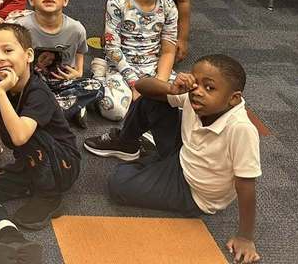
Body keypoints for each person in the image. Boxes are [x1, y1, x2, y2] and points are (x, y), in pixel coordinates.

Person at [84, 54, 261, 264]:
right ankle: (127, 142)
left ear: (233, 98)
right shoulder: (193, 97)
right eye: (196, 83)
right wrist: (170, 88)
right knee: (152, 99)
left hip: (193, 190)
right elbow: (141, 86)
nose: (198, 92)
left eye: (210, 88)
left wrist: (245, 237)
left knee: (118, 182)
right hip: (185, 153)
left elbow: (246, 185)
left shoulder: (241, 129)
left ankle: (152, 161)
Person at [0, 23, 81, 264]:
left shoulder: (38, 92)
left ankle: (50, 195)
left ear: (28, 55)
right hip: (30, 162)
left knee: (27, 131)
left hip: (61, 165)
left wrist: (1, 91)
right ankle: (13, 239)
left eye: (8, 50)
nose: (0, 59)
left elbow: (19, 136)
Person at [10, 0, 103, 127]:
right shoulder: (21, 26)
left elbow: (80, 50)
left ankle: (42, 111)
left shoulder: (76, 28)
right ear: (31, 0)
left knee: (97, 87)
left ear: (65, 0)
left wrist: (79, 72)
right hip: (33, 81)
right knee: (9, 88)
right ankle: (69, 108)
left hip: (64, 81)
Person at [94, 0, 178, 121]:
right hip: (121, 66)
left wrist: (159, 84)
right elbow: (112, 46)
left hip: (153, 67)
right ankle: (100, 76)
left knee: (186, 102)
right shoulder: (117, 2)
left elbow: (169, 51)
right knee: (114, 110)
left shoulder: (169, 7)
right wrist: (134, 84)